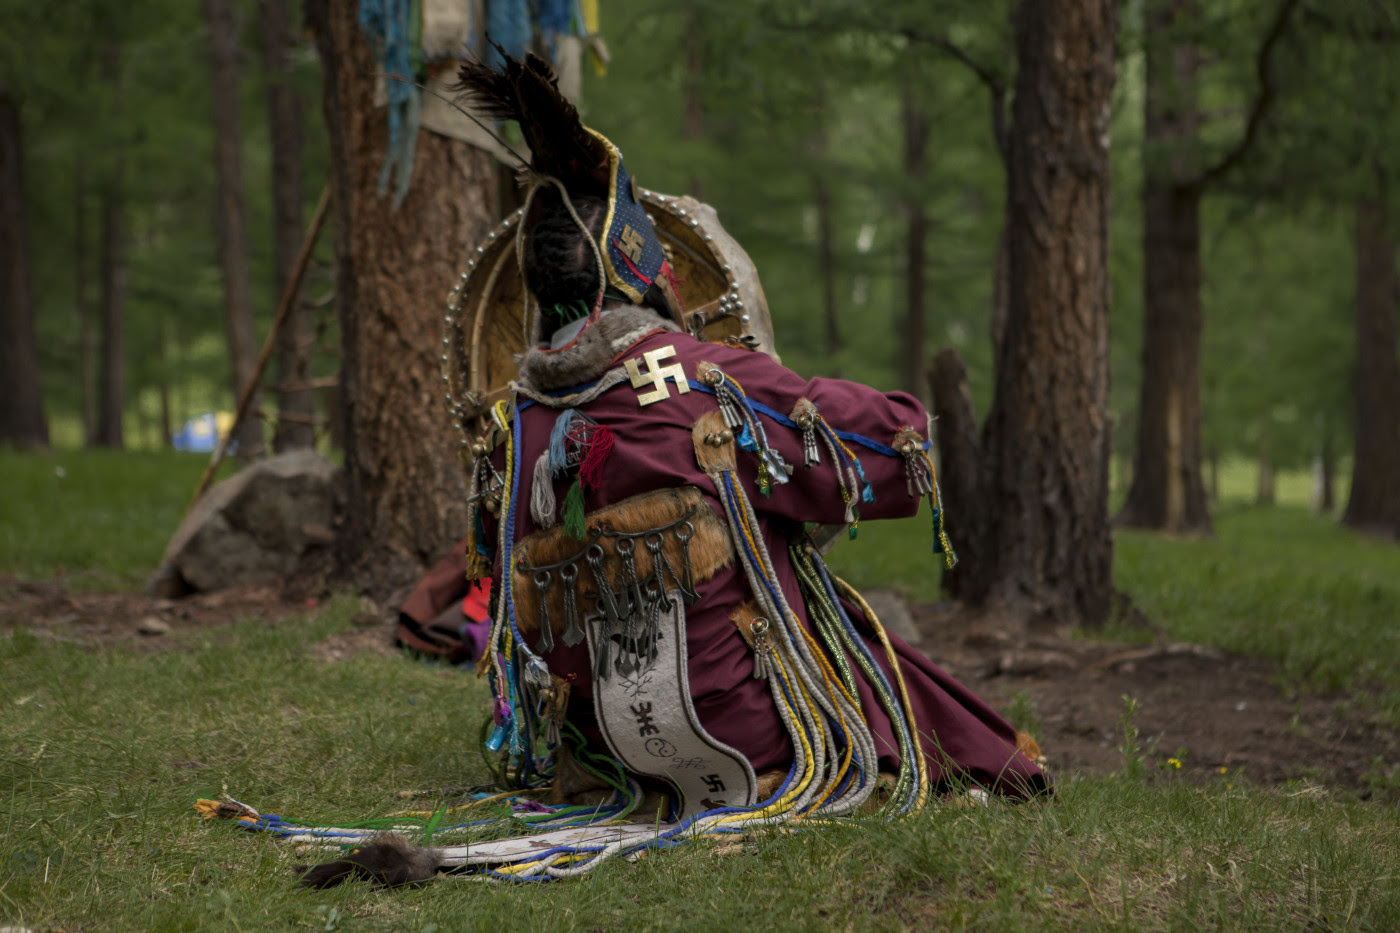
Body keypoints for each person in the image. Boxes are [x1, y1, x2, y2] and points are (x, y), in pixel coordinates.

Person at [450, 53, 1049, 824]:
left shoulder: (512, 431)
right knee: (847, 629)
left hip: (595, 751)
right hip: (748, 739)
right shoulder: (707, 379)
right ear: (639, 270)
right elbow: (889, 441)